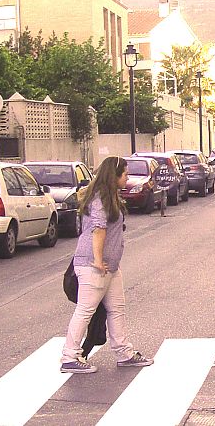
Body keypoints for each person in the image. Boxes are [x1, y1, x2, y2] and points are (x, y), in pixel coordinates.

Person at [60, 156, 154, 373]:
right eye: (125, 174)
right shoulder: (101, 198)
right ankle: (69, 356)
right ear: (115, 176)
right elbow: (98, 229)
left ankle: (124, 353)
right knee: (85, 310)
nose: (127, 177)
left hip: (109, 266)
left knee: (117, 309)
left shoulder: (109, 196)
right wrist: (98, 259)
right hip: (95, 266)